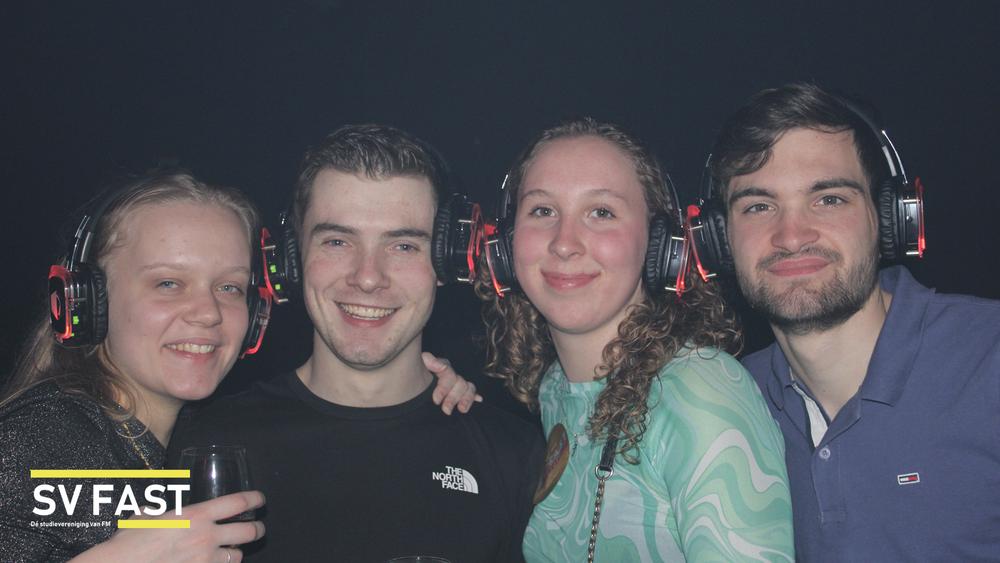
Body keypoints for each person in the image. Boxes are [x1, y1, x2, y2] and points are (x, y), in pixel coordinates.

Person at [169, 124, 545, 562]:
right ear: (291, 260)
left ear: (447, 261)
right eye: (337, 241)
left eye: (403, 246)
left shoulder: (516, 456)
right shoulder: (203, 445)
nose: (367, 277)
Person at [697, 82, 1000, 561]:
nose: (791, 236)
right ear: (719, 242)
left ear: (889, 218)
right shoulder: (723, 401)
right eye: (758, 206)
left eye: (829, 199)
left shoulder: (989, 359)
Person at [477, 118, 794, 562]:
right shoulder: (555, 389)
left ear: (659, 243)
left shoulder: (698, 390)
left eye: (601, 212)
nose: (564, 243)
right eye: (542, 211)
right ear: (507, 244)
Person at [0, 170, 267, 562]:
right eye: (168, 284)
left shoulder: (174, 444)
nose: (209, 313)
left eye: (229, 287)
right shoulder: (43, 437)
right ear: (89, 302)